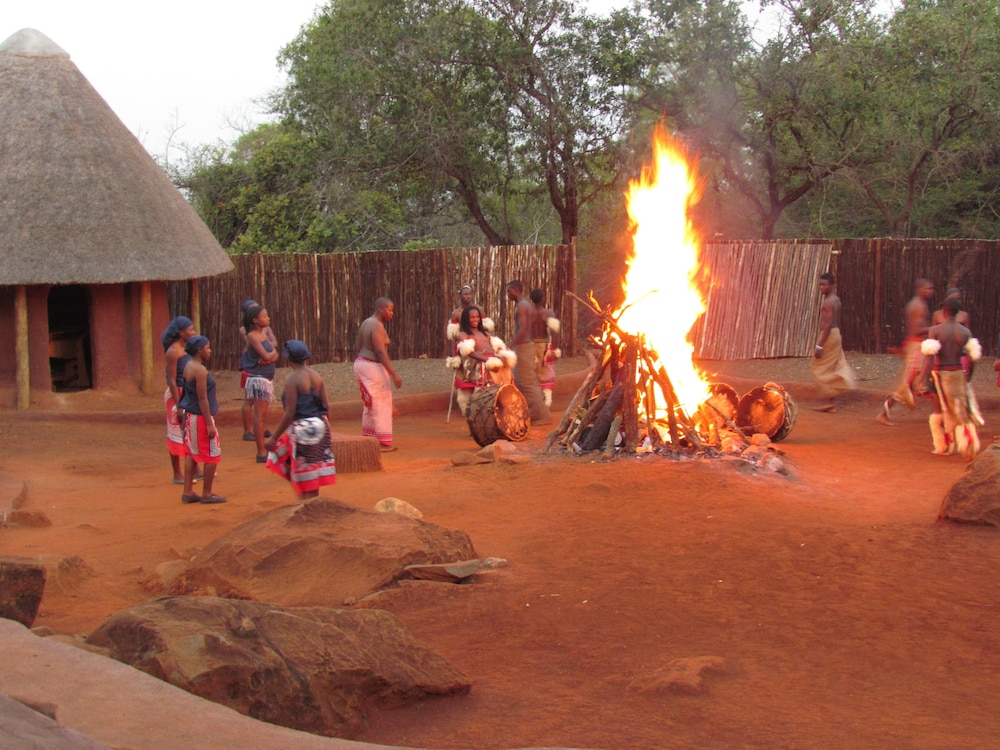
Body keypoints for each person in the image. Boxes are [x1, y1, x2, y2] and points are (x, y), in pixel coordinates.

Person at [264, 340, 337, 498]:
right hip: (321, 425)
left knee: (282, 459)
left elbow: (290, 412)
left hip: (302, 429)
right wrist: (328, 433)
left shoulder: (292, 379)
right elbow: (326, 405)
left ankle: (305, 503)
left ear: (289, 359)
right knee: (312, 468)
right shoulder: (316, 376)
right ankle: (311, 502)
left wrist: (274, 437)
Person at [916, 297, 983, 459]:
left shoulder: (936, 330)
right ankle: (969, 446)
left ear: (944, 312)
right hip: (958, 374)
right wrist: (968, 377)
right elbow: (972, 358)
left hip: (940, 375)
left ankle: (944, 446)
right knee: (961, 412)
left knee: (941, 410)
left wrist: (921, 379)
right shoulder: (965, 332)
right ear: (958, 313)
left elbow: (929, 357)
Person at [877, 278, 934, 426]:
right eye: (928, 288)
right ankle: (883, 414)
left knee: (919, 381)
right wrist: (935, 328)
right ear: (920, 288)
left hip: (919, 346)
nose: (930, 291)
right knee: (907, 382)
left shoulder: (920, 304)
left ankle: (940, 414)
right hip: (916, 346)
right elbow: (915, 330)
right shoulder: (917, 306)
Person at [177, 336, 226, 504]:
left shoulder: (187, 366)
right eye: (208, 347)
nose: (210, 351)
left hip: (191, 416)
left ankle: (188, 491)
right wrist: (209, 424)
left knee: (191, 452)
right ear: (199, 350)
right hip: (200, 417)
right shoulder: (200, 370)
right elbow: (202, 399)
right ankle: (207, 493)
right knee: (213, 453)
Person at [353, 297, 403, 452]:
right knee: (381, 404)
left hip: (361, 363)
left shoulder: (367, 322)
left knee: (370, 403)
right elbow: (380, 352)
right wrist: (394, 374)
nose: (391, 313)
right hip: (371, 365)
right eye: (390, 309)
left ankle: (370, 438)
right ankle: (382, 442)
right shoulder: (376, 325)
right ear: (381, 309)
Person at [453, 305, 516, 416]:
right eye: (472, 317)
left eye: (477, 317)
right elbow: (468, 352)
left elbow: (497, 347)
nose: (475, 319)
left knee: (506, 369)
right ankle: (483, 408)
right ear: (466, 319)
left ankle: (505, 404)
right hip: (477, 364)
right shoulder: (463, 334)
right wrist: (487, 360)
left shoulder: (485, 333)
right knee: (488, 368)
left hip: (491, 360)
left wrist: (502, 356)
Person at [161, 316, 201, 485]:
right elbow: (171, 379)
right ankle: (177, 473)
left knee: (191, 430)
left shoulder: (188, 349)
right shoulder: (173, 351)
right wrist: (178, 405)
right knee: (176, 432)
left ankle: (195, 468)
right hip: (176, 393)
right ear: (181, 332)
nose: (193, 332)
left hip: (188, 392)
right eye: (190, 330)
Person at [810, 273, 856, 412]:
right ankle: (831, 403)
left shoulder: (829, 302)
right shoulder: (836, 300)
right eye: (820, 285)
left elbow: (829, 324)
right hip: (835, 334)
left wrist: (820, 345)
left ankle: (834, 394)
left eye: (824, 284)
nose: (822, 287)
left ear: (832, 285)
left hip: (829, 335)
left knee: (818, 367)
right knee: (831, 367)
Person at [506, 279, 550, 425]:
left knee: (526, 383)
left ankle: (540, 415)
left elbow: (523, 328)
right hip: (525, 346)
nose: (508, 294)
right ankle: (536, 413)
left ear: (515, 290)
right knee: (524, 381)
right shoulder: (523, 305)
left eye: (509, 291)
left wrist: (512, 344)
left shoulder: (522, 306)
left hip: (524, 346)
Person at [239, 304, 279, 462]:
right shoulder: (252, 336)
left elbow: (272, 355)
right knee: (259, 417)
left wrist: (272, 354)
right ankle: (261, 452)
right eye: (264, 316)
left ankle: (262, 451)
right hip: (258, 379)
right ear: (255, 320)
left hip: (265, 377)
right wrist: (273, 354)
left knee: (261, 416)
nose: (267, 318)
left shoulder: (262, 333)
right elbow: (268, 356)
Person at [529, 288, 561, 408]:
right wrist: (553, 349)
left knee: (533, 372)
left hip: (530, 347)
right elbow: (554, 333)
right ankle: (546, 402)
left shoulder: (528, 313)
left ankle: (535, 401)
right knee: (546, 372)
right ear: (542, 299)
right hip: (544, 347)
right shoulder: (548, 313)